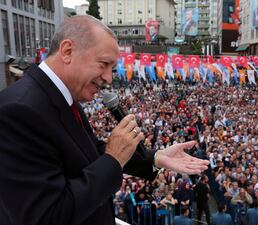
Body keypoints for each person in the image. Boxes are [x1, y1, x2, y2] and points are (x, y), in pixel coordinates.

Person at [0, 15, 208, 225]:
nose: (109, 77)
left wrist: (154, 158)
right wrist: (114, 160)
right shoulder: (18, 111)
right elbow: (46, 216)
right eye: (103, 64)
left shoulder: (59, 95)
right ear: (67, 51)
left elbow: (86, 154)